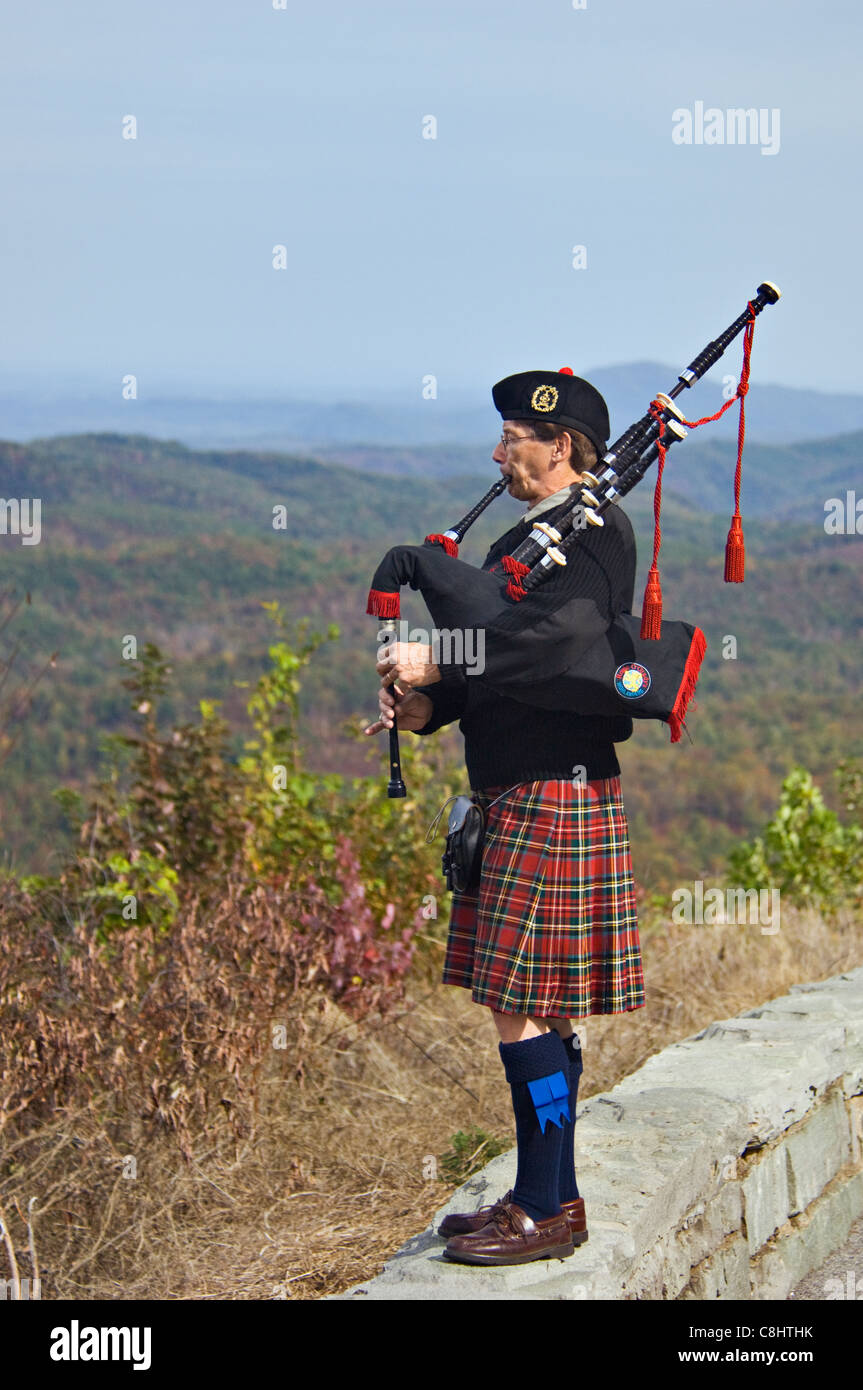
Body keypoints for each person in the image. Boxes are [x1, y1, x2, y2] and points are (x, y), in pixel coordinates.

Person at [363, 369, 645, 1267]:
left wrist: (436, 658)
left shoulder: (596, 531)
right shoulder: (526, 538)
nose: (496, 454)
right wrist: (426, 707)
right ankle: (550, 1196)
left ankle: (542, 1208)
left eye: (511, 439)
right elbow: (497, 668)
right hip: (515, 789)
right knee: (539, 1007)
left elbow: (551, 645)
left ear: (559, 445)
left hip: (554, 789)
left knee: (518, 1008)